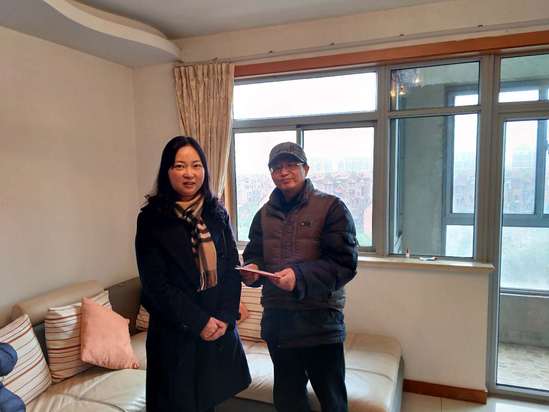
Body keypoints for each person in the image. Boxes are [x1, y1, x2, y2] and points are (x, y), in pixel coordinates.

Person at [135, 136, 250, 412]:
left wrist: (224, 317)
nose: (189, 173)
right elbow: (155, 285)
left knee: (207, 403)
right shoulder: (152, 218)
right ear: (167, 171)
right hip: (176, 333)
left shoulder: (216, 212)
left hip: (215, 329)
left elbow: (231, 268)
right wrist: (199, 321)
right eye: (180, 166)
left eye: (196, 165)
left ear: (205, 170)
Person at [241, 142, 358, 412]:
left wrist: (298, 276)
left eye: (291, 165)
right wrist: (252, 271)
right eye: (276, 167)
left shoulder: (332, 208)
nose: (283, 172)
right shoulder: (263, 214)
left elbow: (344, 264)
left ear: (306, 168)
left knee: (332, 400)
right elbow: (255, 254)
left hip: (320, 321)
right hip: (278, 321)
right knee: (288, 400)